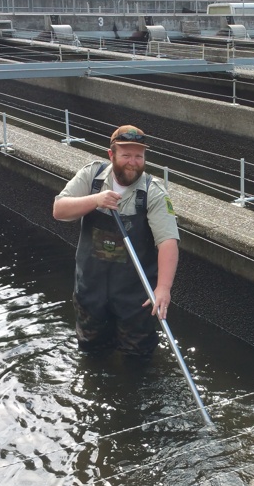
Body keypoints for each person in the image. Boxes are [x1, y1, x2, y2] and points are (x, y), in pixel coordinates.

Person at [52, 125, 180, 357]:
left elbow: (168, 242)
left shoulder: (154, 193)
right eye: (126, 155)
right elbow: (59, 210)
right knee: (91, 352)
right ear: (111, 155)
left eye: (139, 156)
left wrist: (163, 288)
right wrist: (96, 200)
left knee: (137, 358)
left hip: (135, 297)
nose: (133, 161)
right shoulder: (91, 176)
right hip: (90, 290)